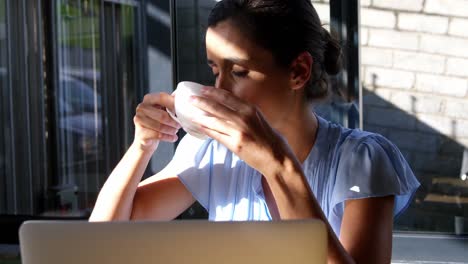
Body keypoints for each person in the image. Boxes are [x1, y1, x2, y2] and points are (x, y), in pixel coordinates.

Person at [90, 0, 420, 263]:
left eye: (240, 72)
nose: (219, 89)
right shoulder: (211, 152)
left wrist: (278, 167)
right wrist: (142, 146)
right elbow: (104, 242)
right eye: (215, 69)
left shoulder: (361, 160)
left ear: (298, 71)